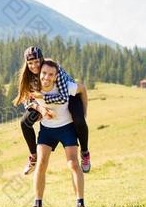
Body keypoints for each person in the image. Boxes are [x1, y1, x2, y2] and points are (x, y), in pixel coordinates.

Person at [12, 46, 91, 175]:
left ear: (42, 60)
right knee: (24, 123)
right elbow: (27, 100)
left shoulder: (53, 70)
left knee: (79, 120)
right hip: (43, 103)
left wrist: (42, 98)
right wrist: (41, 109)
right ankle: (34, 156)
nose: (34, 66)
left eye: (37, 62)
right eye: (30, 63)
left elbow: (64, 97)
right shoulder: (28, 76)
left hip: (69, 96)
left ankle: (85, 153)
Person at [28, 59, 87, 207]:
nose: (46, 77)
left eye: (51, 74)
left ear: (56, 76)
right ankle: (38, 204)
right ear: (40, 73)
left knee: (73, 163)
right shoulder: (35, 87)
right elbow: (27, 101)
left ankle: (80, 204)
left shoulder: (66, 86)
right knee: (41, 163)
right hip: (47, 130)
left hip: (67, 128)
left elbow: (83, 89)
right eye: (44, 73)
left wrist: (83, 113)